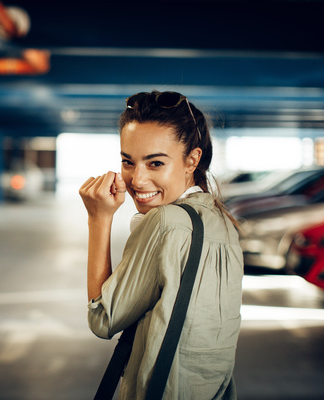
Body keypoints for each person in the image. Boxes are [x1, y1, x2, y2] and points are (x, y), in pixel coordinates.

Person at [79, 90, 243, 399]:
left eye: (155, 163)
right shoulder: (222, 222)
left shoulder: (167, 222)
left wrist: (98, 219)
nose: (137, 180)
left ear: (192, 159)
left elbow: (103, 319)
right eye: (128, 162)